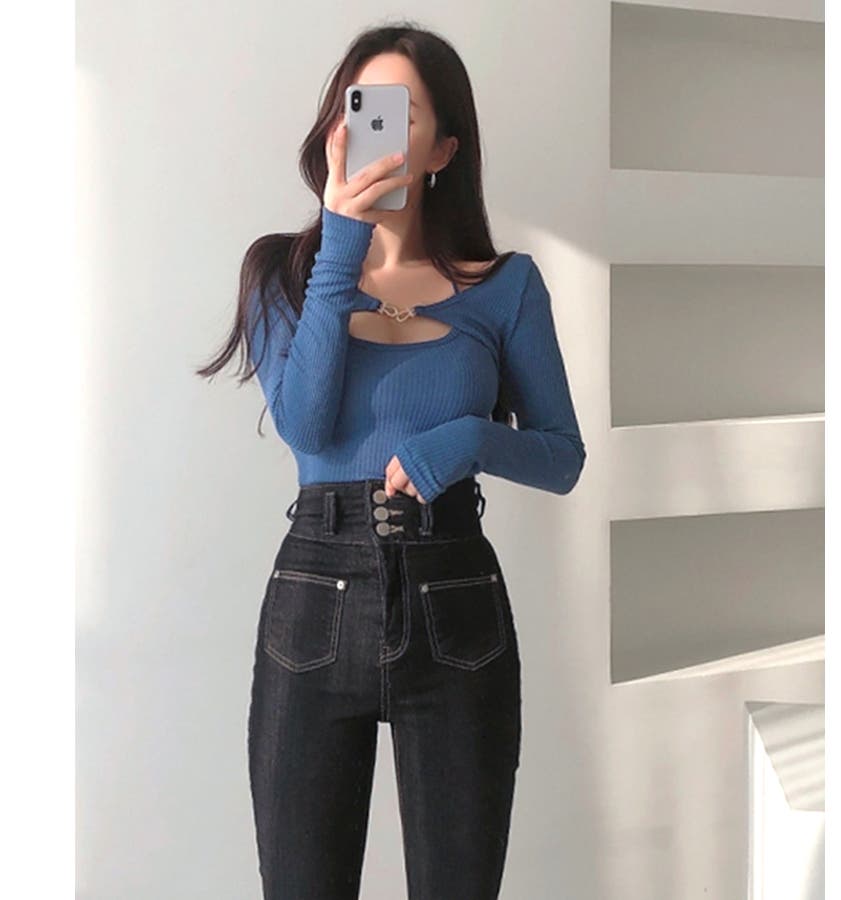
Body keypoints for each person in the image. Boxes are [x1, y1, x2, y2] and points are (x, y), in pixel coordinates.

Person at [197, 21, 586, 900]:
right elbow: (308, 428)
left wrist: (468, 439)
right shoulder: (280, 275)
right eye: (361, 105)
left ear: (444, 147)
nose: (373, 126)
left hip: (456, 601)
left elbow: (562, 458)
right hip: (315, 601)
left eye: (402, 113)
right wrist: (342, 238)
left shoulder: (506, 287)